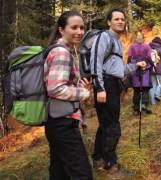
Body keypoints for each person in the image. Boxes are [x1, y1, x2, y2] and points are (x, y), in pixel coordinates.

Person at [90, 8, 146, 172]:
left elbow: (119, 69)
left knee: (105, 124)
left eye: (122, 19)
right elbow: (96, 63)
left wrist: (136, 66)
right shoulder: (104, 37)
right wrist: (99, 88)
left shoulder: (117, 41)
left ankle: (98, 157)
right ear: (109, 22)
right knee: (113, 126)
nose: (120, 21)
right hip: (105, 85)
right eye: (116, 19)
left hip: (112, 84)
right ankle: (110, 162)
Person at [44, 11, 93, 180]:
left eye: (82, 27)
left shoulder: (62, 51)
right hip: (63, 123)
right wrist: (83, 92)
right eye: (74, 27)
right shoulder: (62, 53)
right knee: (82, 174)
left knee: (59, 174)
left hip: (55, 121)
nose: (79, 31)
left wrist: (77, 86)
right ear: (61, 30)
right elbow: (56, 89)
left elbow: (60, 85)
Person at [128, 32, 153, 115]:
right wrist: (151, 65)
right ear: (143, 38)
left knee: (137, 90)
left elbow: (129, 58)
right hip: (144, 68)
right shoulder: (147, 46)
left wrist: (130, 68)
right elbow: (149, 57)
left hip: (135, 68)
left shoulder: (131, 46)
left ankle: (136, 109)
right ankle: (144, 105)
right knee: (145, 89)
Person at [149, 37, 161, 105]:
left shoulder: (148, 48)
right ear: (160, 42)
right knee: (160, 84)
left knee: (153, 85)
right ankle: (157, 95)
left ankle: (153, 102)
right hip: (159, 70)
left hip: (151, 69)